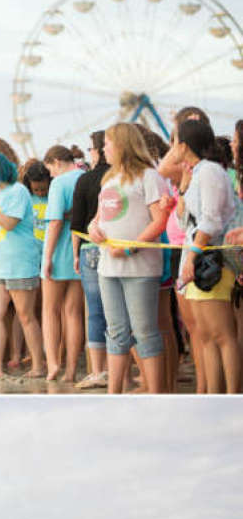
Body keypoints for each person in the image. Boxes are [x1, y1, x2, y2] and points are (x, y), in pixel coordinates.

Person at [88, 123, 169, 394]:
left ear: (122, 145)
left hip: (140, 268)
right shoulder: (108, 179)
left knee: (145, 332)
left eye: (108, 143)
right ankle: (114, 393)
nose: (103, 149)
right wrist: (92, 229)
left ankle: (155, 394)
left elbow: (160, 221)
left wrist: (130, 248)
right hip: (107, 267)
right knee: (116, 332)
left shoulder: (149, 177)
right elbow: (98, 218)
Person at [174, 118, 239, 393]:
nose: (172, 148)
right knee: (205, 336)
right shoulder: (199, 173)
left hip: (212, 261)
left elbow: (210, 221)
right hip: (201, 258)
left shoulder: (211, 172)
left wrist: (191, 257)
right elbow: (186, 223)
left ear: (185, 145)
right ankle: (213, 394)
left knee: (223, 336)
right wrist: (182, 189)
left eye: (175, 141)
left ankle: (232, 394)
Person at [0, 150, 43, 379]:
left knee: (25, 315)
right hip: (0, 264)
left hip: (20, 262)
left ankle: (39, 365)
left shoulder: (18, 192)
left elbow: (9, 224)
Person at [41, 145, 84, 382]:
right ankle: (71, 370)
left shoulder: (60, 183)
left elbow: (55, 221)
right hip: (80, 252)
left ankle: (53, 364)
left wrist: (47, 257)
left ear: (56, 161)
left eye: (50, 170)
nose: (51, 176)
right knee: (73, 313)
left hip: (59, 251)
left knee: (50, 310)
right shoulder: (85, 176)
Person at [71, 131, 110, 389]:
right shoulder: (120, 178)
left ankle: (98, 371)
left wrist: (75, 254)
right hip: (121, 247)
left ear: (97, 150)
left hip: (90, 248)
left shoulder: (85, 180)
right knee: (120, 313)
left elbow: (77, 224)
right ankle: (125, 370)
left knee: (95, 312)